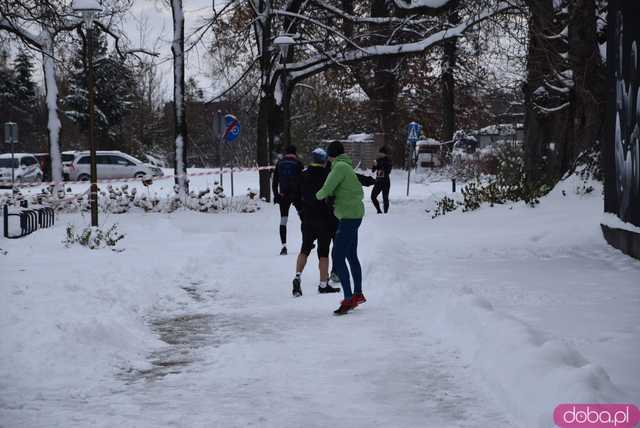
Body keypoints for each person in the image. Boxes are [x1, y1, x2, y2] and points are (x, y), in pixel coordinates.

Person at [316, 141, 366, 315]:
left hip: (348, 217)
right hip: (355, 214)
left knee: (337, 257)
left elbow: (326, 188)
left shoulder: (338, 168)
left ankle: (348, 298)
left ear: (330, 155)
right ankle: (358, 294)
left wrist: (318, 195)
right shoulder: (347, 166)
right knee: (351, 255)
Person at [291, 148, 341, 297]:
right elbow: (333, 195)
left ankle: (298, 276)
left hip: (307, 219)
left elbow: (295, 196)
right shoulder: (328, 175)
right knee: (323, 252)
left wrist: (301, 211)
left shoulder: (303, 175)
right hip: (325, 220)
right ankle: (323, 284)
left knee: (305, 248)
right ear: (324, 160)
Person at [272, 145, 304, 255]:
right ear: (295, 153)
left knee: (283, 220)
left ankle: (284, 246)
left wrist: (276, 195)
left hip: (283, 195)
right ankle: (307, 242)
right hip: (296, 196)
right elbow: (303, 180)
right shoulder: (298, 163)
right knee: (304, 219)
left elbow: (275, 181)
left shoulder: (280, 163)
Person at [371, 146, 392, 214]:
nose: (380, 154)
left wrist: (381, 169)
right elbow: (373, 171)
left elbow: (388, 171)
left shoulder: (388, 161)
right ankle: (379, 210)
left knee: (385, 198)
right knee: (373, 196)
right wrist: (374, 165)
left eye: (381, 153)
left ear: (385, 154)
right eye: (380, 153)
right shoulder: (378, 160)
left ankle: (386, 212)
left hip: (386, 181)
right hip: (378, 181)